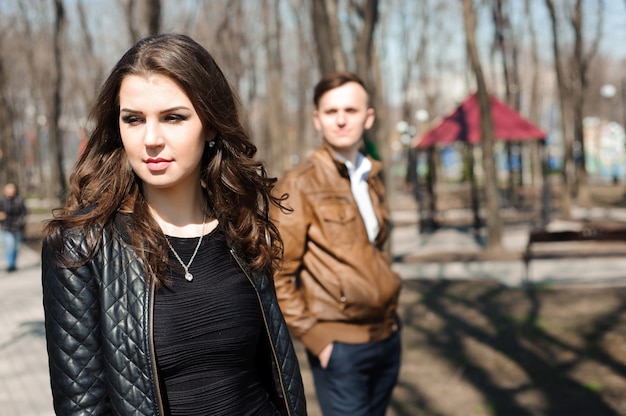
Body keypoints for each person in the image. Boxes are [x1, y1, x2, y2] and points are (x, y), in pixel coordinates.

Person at [41, 33, 306, 416]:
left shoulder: (241, 224)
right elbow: (83, 407)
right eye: (133, 119)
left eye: (173, 117)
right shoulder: (80, 246)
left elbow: (274, 370)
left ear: (211, 125)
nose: (151, 139)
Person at [271, 71, 403, 416]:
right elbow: (275, 272)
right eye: (331, 112)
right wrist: (317, 338)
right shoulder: (298, 184)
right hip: (340, 347)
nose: (341, 120)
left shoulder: (370, 175)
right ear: (317, 119)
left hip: (387, 335)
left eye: (351, 110)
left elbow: (374, 251)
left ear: (368, 117)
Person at [0, 182, 27, 272]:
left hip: (18, 227)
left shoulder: (19, 200)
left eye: (12, 188)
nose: (10, 191)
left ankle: (14, 263)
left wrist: (20, 222)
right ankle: (10, 265)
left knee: (16, 247)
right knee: (9, 245)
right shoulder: (2, 201)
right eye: (8, 189)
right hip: (6, 227)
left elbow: (24, 213)